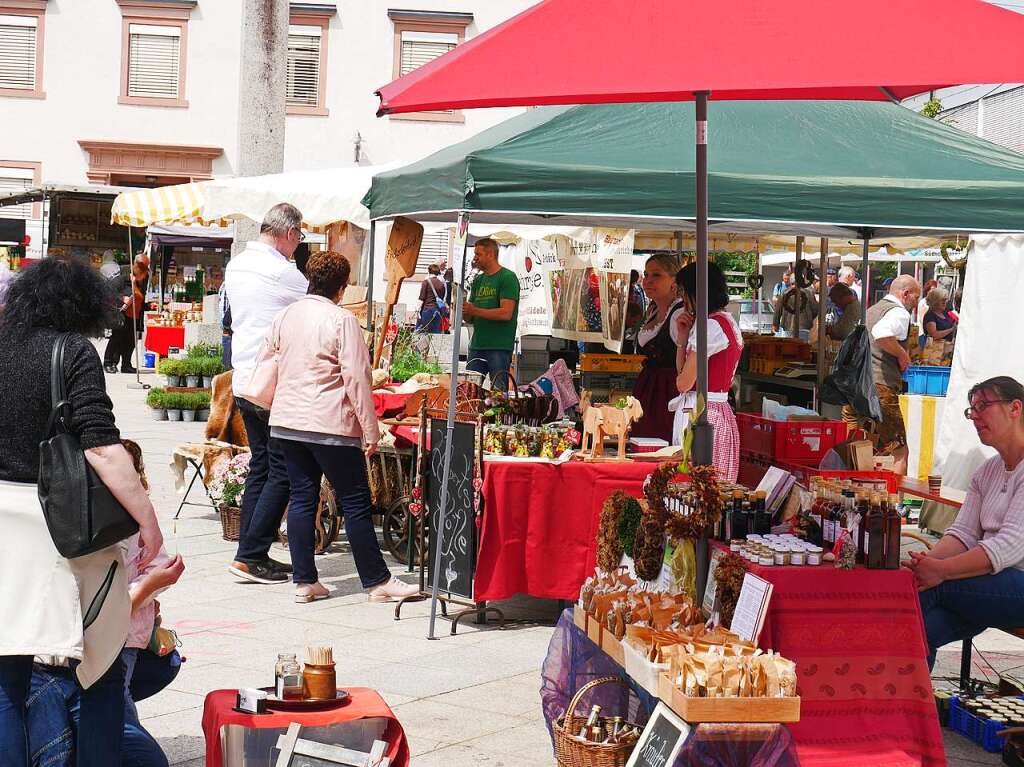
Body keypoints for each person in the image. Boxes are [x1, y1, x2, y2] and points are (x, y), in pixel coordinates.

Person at [0, 258, 163, 766]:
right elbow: (102, 448)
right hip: (61, 524)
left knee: (6, 672)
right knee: (102, 659)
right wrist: (147, 521)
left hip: (3, 525)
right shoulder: (72, 351)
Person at [268, 251, 418, 604]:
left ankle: (305, 581)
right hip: (328, 421)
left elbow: (274, 359)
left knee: (303, 497)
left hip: (288, 420)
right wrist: (371, 429)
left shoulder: (286, 315)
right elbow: (357, 378)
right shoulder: (342, 320)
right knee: (355, 500)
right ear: (342, 286)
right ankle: (377, 580)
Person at [29, 439, 183, 767]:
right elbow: (90, 616)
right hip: (58, 664)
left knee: (130, 741)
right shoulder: (61, 526)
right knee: (65, 751)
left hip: (115, 648)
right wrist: (145, 590)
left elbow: (157, 563)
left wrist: (149, 584)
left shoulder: (125, 526)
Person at [908, 377, 1024, 669]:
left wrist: (941, 571)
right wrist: (925, 563)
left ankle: (904, 705)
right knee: (920, 626)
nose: (975, 416)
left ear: (1015, 408)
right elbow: (963, 534)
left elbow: (1008, 546)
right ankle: (909, 706)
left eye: (983, 406)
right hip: (992, 583)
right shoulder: (988, 471)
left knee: (934, 587)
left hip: (1016, 581)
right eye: (971, 409)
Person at [225, 203, 308, 585]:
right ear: (289, 234)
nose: (298, 247)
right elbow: (313, 306)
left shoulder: (237, 264)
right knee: (283, 471)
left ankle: (250, 550)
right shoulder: (283, 272)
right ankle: (251, 552)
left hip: (244, 377)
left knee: (262, 465)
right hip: (272, 381)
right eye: (299, 239)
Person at [670, 262, 743, 481]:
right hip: (713, 410)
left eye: (685, 293)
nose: (684, 301)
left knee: (696, 488)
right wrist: (682, 341)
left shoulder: (710, 327)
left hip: (703, 413)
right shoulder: (723, 321)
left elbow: (683, 382)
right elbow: (683, 374)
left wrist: (685, 343)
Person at [842, 275, 921, 475]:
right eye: (916, 298)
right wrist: (902, 355)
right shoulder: (899, 313)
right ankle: (896, 503)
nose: (916, 303)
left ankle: (852, 491)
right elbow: (882, 332)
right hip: (879, 386)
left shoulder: (871, 311)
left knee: (856, 444)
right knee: (899, 449)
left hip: (854, 386)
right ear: (905, 294)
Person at [631, 253, 685, 441]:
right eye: (646, 275)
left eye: (657, 275)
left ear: (674, 281)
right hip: (648, 390)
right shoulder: (652, 311)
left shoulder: (680, 314)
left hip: (668, 392)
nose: (648, 281)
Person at [464, 238, 519, 391]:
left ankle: (497, 416)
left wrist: (474, 310)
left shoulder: (507, 277)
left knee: (498, 394)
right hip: (477, 344)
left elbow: (506, 313)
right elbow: (471, 317)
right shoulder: (478, 280)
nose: (475, 258)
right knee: (469, 391)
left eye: (478, 254)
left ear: (490, 255)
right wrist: (464, 310)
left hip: (499, 346)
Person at [104, 254, 150, 374]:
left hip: (134, 316)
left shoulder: (142, 280)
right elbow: (108, 292)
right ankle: (109, 362)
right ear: (135, 266)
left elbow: (140, 297)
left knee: (130, 342)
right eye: (142, 269)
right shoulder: (123, 277)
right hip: (122, 315)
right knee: (116, 339)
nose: (144, 273)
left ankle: (126, 364)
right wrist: (121, 298)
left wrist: (147, 306)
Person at [416, 262, 448, 333]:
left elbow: (421, 298)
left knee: (420, 332)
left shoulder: (426, 282)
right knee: (435, 334)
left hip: (426, 311)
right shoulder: (441, 284)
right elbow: (442, 299)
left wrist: (417, 310)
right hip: (437, 311)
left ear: (429, 271)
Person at [917, 278, 939, 350]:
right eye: (932, 289)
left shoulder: (934, 303)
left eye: (935, 289)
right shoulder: (924, 302)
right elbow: (923, 319)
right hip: (924, 335)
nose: (933, 292)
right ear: (927, 290)